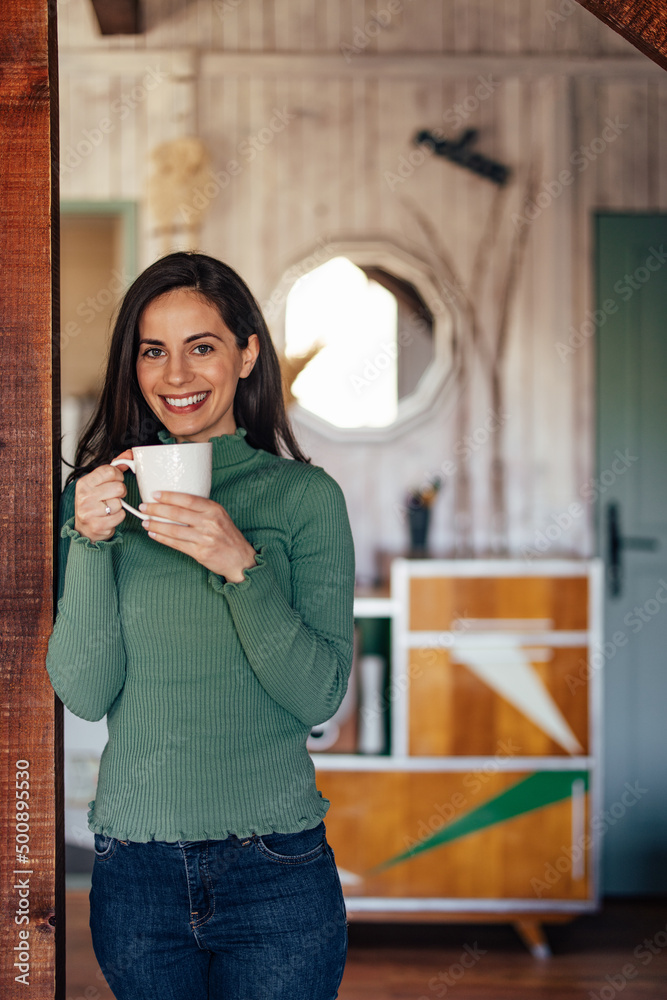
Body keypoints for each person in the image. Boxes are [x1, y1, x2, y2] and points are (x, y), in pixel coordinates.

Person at [46, 251, 355, 1000]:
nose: (175, 375)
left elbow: (318, 694)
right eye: (154, 350)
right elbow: (85, 691)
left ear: (247, 354)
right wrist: (87, 542)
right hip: (135, 874)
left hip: (275, 869)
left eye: (202, 346)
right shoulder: (96, 501)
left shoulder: (305, 498)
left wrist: (239, 565)